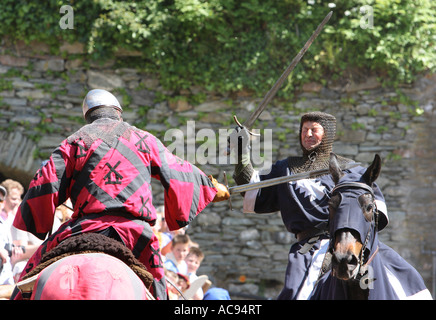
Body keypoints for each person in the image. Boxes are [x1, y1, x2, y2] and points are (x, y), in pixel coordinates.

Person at [12, 89, 229, 300]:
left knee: (27, 279)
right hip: (135, 236)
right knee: (159, 289)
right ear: (118, 112)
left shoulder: (74, 142)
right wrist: (209, 187)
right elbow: (176, 169)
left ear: (89, 116)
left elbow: (45, 182)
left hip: (85, 227)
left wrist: (36, 219)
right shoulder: (144, 139)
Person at [230, 111, 389, 300]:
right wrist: (241, 153)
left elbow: (375, 209)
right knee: (294, 294)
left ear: (327, 134)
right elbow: (253, 189)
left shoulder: (350, 170)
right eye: (304, 130)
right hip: (308, 250)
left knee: (401, 277)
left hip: (350, 244)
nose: (308, 134)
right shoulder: (285, 169)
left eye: (314, 129)